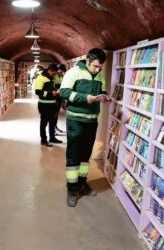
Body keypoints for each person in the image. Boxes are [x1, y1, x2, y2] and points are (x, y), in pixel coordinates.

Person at [60, 48, 111, 207]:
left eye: (100, 67)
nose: (97, 69)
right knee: (74, 155)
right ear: (87, 61)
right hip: (76, 119)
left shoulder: (100, 75)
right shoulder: (73, 73)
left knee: (85, 155)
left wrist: (103, 97)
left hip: (91, 121)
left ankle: (82, 183)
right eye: (95, 66)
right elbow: (64, 92)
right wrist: (85, 98)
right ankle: (72, 188)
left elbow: (101, 91)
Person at [35, 63, 62, 147]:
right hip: (44, 105)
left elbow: (52, 87)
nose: (53, 74)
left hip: (53, 104)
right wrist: (51, 93)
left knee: (52, 122)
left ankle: (52, 137)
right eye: (52, 72)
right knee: (44, 123)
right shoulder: (41, 78)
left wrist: (56, 90)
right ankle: (43, 140)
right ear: (49, 70)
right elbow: (38, 92)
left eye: (55, 73)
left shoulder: (52, 77)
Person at [53, 64, 67, 134]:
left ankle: (55, 127)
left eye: (62, 72)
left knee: (57, 113)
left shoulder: (61, 77)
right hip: (54, 97)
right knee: (53, 114)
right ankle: (52, 129)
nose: (61, 73)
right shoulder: (54, 76)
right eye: (61, 71)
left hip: (59, 97)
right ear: (57, 69)